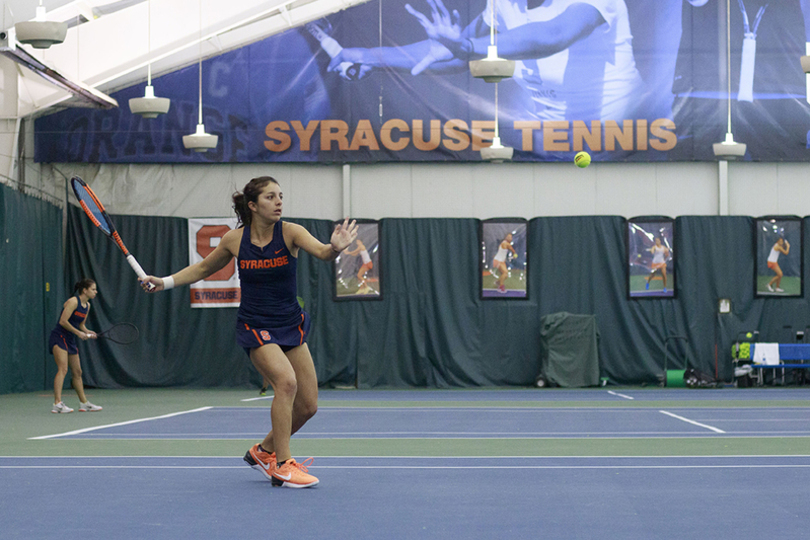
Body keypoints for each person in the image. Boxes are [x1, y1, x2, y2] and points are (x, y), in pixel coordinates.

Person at [139, 176, 358, 489]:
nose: (279, 201)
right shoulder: (234, 240)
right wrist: (164, 281)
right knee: (286, 382)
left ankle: (263, 450)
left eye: (281, 195)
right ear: (253, 205)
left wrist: (335, 249)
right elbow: (202, 269)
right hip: (256, 325)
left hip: (290, 324)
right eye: (270, 197)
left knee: (308, 406)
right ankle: (283, 465)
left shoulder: (292, 232)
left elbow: (323, 252)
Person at [329, 0, 644, 124]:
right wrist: (368, 56)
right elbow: (449, 52)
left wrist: (466, 45)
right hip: (545, 131)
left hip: (620, 129)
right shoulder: (502, 3)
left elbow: (553, 36)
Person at [48, 278, 102, 413]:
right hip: (59, 337)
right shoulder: (73, 302)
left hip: (70, 339)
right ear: (85, 290)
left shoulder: (87, 306)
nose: (96, 292)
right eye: (93, 289)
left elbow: (81, 325)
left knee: (77, 372)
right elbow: (63, 321)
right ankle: (57, 404)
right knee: (63, 369)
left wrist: (88, 332)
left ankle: (84, 403)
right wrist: (79, 333)